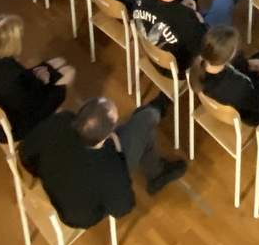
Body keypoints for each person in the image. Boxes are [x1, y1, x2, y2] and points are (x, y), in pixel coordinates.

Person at [20, 96, 186, 230]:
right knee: (143, 122)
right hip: (83, 215)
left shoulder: (60, 121)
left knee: (140, 130)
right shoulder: (110, 170)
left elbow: (24, 152)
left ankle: (156, 167)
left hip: (58, 191)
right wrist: (119, 158)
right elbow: (123, 208)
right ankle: (154, 115)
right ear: (108, 136)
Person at [0, 14, 73, 141]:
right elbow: (29, 105)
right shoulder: (12, 78)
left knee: (57, 62)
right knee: (68, 73)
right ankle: (53, 120)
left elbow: (14, 79)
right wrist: (39, 81)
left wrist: (33, 77)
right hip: (16, 124)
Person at [130, 0, 234, 73]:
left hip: (150, 54)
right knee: (223, 3)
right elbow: (203, 48)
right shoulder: (187, 19)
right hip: (176, 70)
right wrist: (200, 23)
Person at [191, 25, 259, 125]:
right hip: (250, 111)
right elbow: (258, 102)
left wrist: (247, 64)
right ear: (230, 56)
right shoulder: (239, 87)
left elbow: (232, 67)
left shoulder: (200, 66)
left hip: (236, 96)